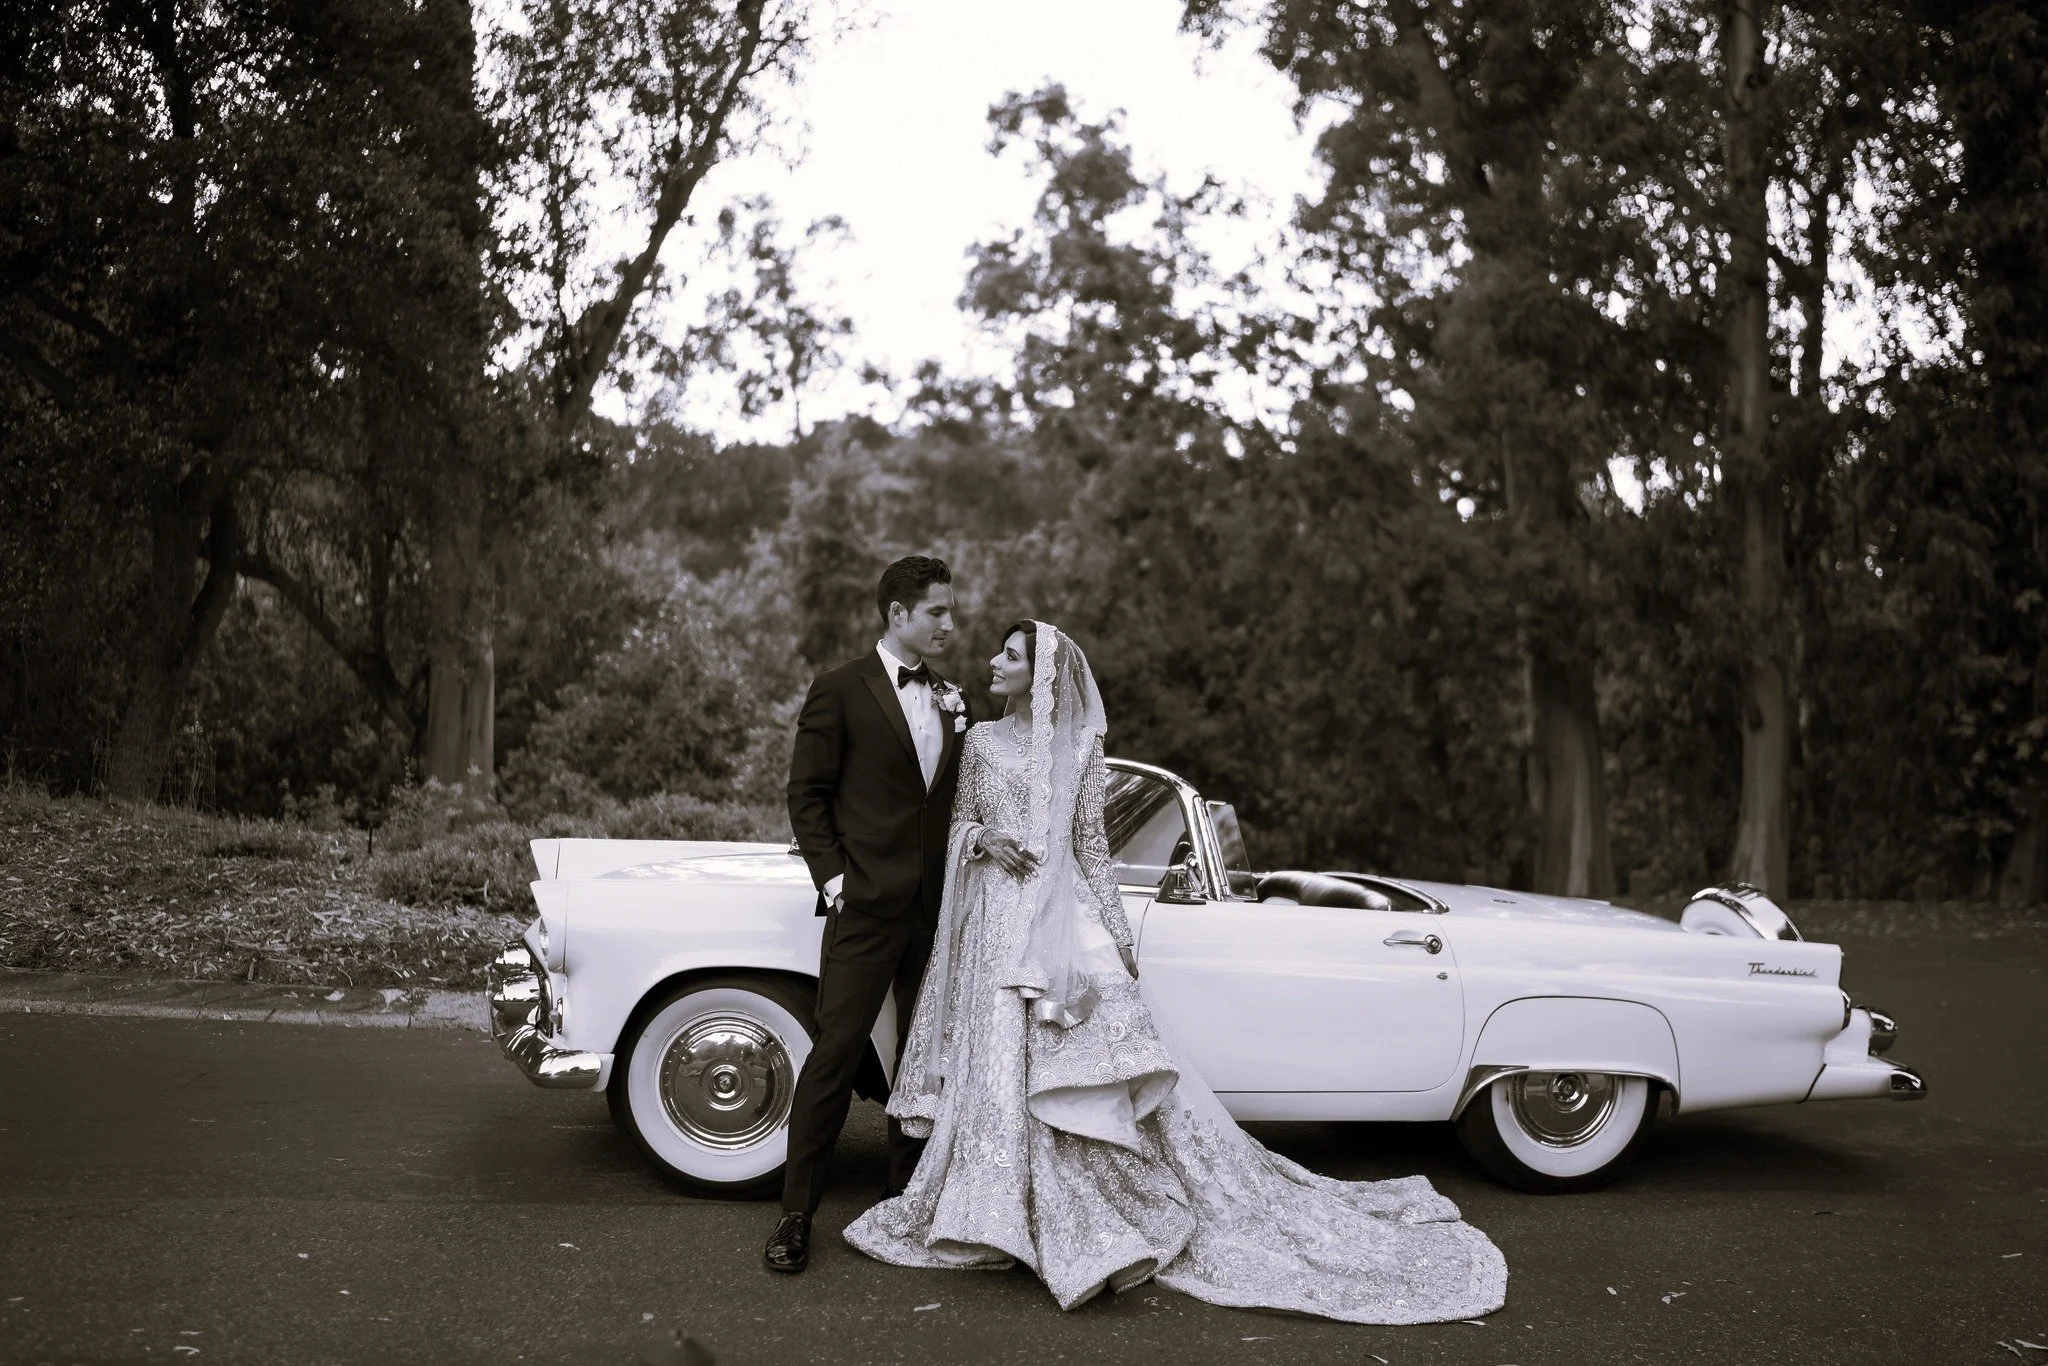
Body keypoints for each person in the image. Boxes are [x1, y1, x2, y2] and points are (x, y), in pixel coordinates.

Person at [842, 621, 1509, 1323]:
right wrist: (984, 838)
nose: (992, 662)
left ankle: (1082, 1200)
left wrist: (1117, 935)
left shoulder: (1079, 748)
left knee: (1072, 1060)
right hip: (994, 920)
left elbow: (1090, 847)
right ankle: (991, 1208)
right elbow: (957, 823)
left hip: (1064, 923)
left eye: (1009, 655)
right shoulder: (979, 741)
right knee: (998, 1061)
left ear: (1041, 677)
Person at [764, 556, 975, 1275]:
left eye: (951, 611)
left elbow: (954, 801)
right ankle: (797, 1213)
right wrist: (835, 883)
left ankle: (904, 1199)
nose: (950, 624)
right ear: (898, 613)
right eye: (938, 611)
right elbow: (806, 795)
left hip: (935, 911)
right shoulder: (839, 688)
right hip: (863, 907)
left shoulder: (953, 697)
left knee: (925, 1060)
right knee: (834, 1052)